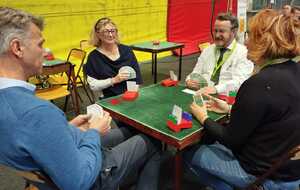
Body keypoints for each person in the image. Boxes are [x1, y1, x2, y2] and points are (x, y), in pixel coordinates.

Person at [0, 7, 161, 190]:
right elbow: (79, 181)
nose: (45, 52)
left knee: (131, 133)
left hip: (53, 163)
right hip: (92, 176)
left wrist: (65, 128)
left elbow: (33, 136)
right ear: (17, 48)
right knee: (152, 141)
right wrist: (93, 132)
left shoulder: (17, 106)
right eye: (40, 44)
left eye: (113, 30)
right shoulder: (38, 112)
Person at [183, 9, 300, 190]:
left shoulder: (258, 84)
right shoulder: (295, 71)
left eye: (251, 36)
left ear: (265, 42)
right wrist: (230, 109)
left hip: (262, 174)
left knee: (187, 154)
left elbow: (231, 140)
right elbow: (274, 113)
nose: (246, 41)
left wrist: (202, 117)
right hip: (290, 170)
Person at [185, 13, 253, 95]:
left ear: (234, 32)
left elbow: (240, 82)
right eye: (215, 31)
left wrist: (216, 89)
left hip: (227, 98)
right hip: (203, 93)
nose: (217, 35)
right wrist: (189, 80)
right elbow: (195, 72)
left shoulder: (244, 53)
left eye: (222, 31)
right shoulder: (207, 50)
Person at [84, 17, 143, 99]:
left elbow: (137, 78)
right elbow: (93, 85)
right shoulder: (93, 57)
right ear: (98, 34)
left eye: (113, 31)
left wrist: (132, 93)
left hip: (131, 95)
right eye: (106, 31)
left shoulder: (127, 50)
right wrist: (114, 80)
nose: (110, 35)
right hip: (109, 98)